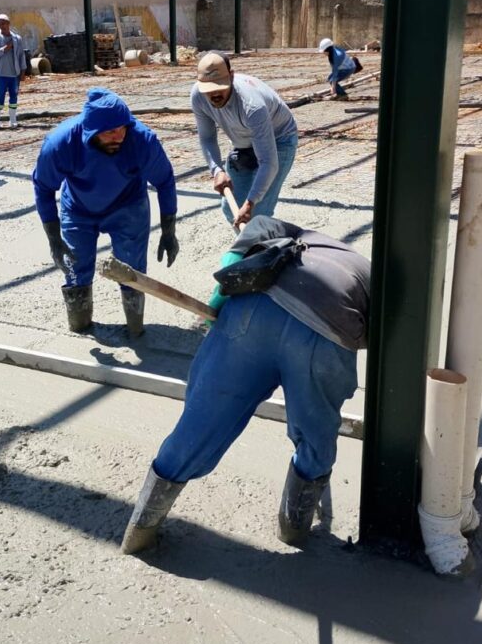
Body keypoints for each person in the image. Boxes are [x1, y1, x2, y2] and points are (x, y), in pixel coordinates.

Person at [121, 214, 370, 555]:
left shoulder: (296, 233)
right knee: (316, 435)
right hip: (327, 332)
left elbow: (246, 243)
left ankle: (140, 530)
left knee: (201, 421)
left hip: (252, 312)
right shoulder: (366, 270)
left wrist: (218, 299)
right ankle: (293, 529)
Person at [33, 87, 179, 337]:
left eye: (122, 129)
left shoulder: (142, 140)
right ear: (91, 131)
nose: (119, 136)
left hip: (128, 206)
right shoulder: (61, 143)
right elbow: (43, 187)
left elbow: (164, 181)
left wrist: (169, 231)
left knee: (131, 268)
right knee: (75, 266)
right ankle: (80, 326)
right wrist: (54, 238)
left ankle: (135, 329)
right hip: (78, 208)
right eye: (110, 132)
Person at [191, 51, 298, 228]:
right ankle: (250, 241)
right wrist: (217, 170)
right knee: (230, 209)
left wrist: (250, 204)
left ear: (231, 77)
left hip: (280, 139)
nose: (214, 93)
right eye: (208, 89)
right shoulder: (198, 96)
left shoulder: (252, 106)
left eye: (220, 86)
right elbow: (207, 137)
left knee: (257, 213)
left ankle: (259, 243)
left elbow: (268, 162)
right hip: (243, 142)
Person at [0, 14, 26, 129]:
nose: (2, 26)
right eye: (0, 24)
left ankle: (13, 120)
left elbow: (21, 55)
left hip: (14, 74)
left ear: (8, 23)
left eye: (4, 23)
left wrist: (23, 71)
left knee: (14, 96)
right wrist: (6, 48)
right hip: (1, 74)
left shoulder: (17, 38)